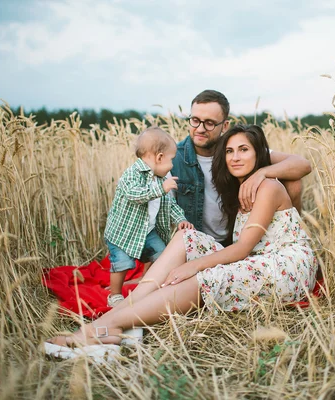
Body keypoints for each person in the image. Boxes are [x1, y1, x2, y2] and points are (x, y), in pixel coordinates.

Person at [43, 124, 318, 358]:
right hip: (255, 258)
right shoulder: (238, 180)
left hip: (285, 266)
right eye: (230, 151)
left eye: (244, 150)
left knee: (208, 276)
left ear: (259, 155)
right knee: (186, 236)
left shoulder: (268, 185)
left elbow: (243, 248)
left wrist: (193, 266)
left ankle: (100, 329)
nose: (235, 157)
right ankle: (126, 314)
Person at [172, 89, 312, 246]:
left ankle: (294, 242)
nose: (200, 129)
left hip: (239, 237)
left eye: (209, 123)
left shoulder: (235, 150)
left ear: (224, 126)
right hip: (198, 240)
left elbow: (303, 164)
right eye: (195, 120)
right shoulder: (173, 157)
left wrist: (261, 173)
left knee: (294, 183)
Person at [103, 127, 194, 307]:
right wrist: (161, 189)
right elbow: (133, 195)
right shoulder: (132, 174)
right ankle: (114, 295)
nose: (172, 165)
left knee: (162, 256)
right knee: (122, 263)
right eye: (171, 160)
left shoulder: (162, 178)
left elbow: (170, 205)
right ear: (159, 158)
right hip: (123, 233)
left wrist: (180, 219)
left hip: (148, 231)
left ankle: (148, 284)